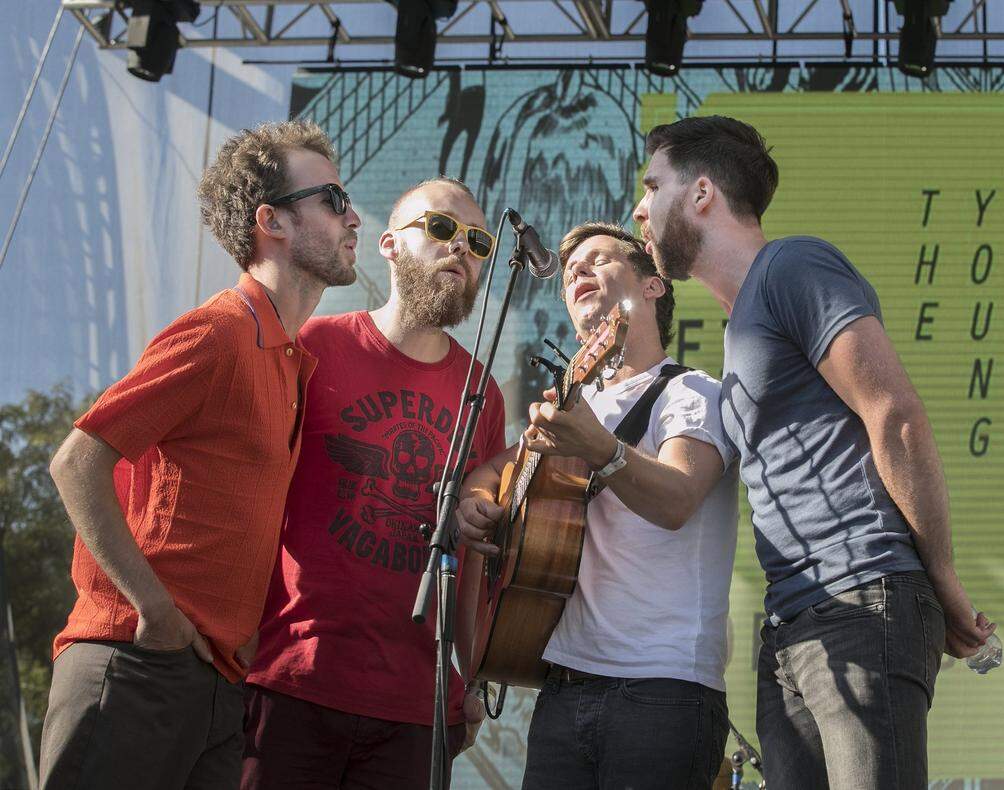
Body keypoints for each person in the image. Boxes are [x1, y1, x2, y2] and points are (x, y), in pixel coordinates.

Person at [632, 115, 997, 789]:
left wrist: (940, 577)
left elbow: (896, 414)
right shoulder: (741, 326)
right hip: (793, 628)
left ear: (703, 193)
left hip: (862, 595)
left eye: (653, 186)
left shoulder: (791, 266)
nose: (639, 207)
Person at [39, 119, 360, 790]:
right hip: (137, 664)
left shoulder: (289, 361)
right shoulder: (220, 332)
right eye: (332, 198)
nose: (352, 215)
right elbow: (76, 462)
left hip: (212, 682)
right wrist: (155, 612)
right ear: (270, 220)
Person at [240, 177, 506, 789]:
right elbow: (254, 496)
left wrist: (472, 673)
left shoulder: (483, 395)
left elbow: (466, 562)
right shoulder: (312, 347)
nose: (460, 250)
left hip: (414, 709)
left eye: (478, 242)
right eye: (440, 229)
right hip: (290, 680)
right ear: (388, 244)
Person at [457, 222, 738, 790]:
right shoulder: (575, 409)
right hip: (564, 684)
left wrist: (602, 448)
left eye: (598, 260)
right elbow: (486, 474)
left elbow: (679, 497)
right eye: (567, 273)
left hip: (662, 688)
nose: (576, 273)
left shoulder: (691, 392)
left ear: (653, 286)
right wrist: (477, 503)